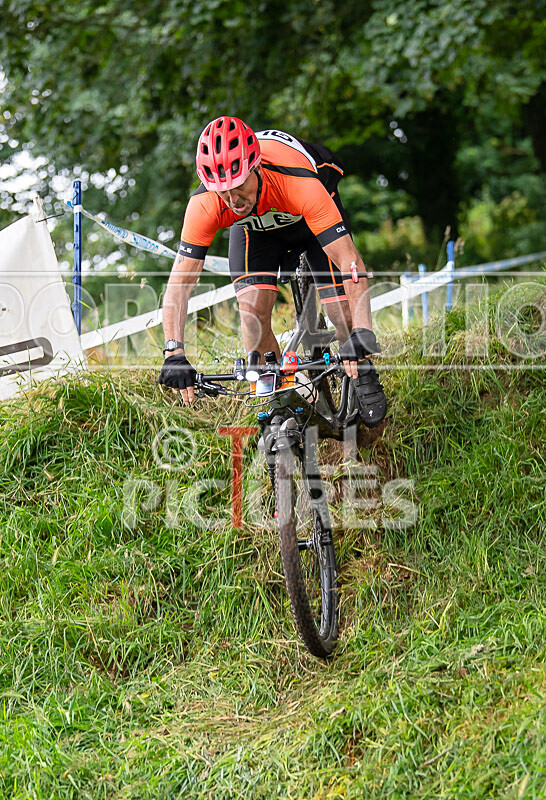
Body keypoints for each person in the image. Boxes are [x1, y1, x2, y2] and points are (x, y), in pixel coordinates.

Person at [159, 116, 387, 427]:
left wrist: (362, 331)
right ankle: (278, 392)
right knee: (251, 312)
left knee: (342, 313)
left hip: (309, 218)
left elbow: (351, 262)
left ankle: (362, 370)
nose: (232, 200)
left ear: (256, 168)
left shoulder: (297, 182)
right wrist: (174, 352)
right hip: (257, 230)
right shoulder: (206, 204)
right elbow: (180, 282)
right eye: (222, 192)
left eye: (239, 187)